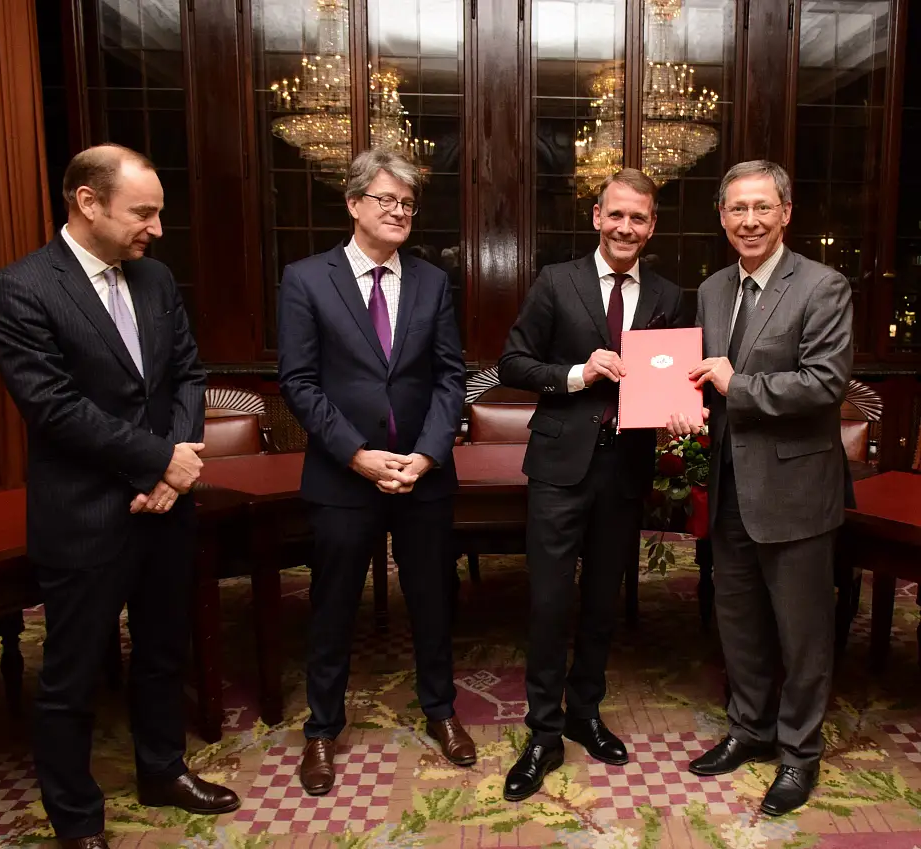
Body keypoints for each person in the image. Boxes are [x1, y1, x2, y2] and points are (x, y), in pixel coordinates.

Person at [0, 144, 239, 849]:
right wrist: (161, 460)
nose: (156, 228)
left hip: (165, 509)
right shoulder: (22, 288)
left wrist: (177, 467)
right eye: (144, 212)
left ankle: (162, 770)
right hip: (87, 514)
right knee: (70, 674)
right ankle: (77, 820)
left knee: (163, 650)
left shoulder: (155, 279)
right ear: (86, 202)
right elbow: (55, 408)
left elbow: (188, 374)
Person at [277, 148, 475, 796]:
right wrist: (356, 454)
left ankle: (441, 710)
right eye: (386, 199)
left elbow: (450, 375)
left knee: (431, 601)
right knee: (332, 606)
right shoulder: (306, 280)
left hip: (422, 476)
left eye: (408, 203)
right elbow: (300, 382)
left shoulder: (432, 281)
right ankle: (322, 727)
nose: (398, 211)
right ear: (354, 202)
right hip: (343, 478)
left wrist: (426, 452)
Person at [667, 160, 853, 816]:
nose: (749, 220)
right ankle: (750, 728)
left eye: (762, 207)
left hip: (797, 490)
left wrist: (733, 385)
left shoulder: (823, 286)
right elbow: (702, 380)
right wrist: (681, 405)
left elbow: (824, 383)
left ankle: (799, 752)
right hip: (728, 485)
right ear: (722, 217)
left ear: (786, 212)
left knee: (802, 631)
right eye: (737, 209)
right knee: (738, 618)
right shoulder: (713, 288)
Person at [498, 168, 685, 801]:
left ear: (651, 226)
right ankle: (543, 733)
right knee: (550, 605)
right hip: (558, 467)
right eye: (616, 215)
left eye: (639, 218)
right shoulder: (557, 282)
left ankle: (585, 713)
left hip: (626, 469)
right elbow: (513, 362)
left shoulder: (668, 294)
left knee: (603, 604)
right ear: (596, 217)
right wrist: (579, 372)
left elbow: (671, 380)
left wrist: (681, 406)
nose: (626, 227)